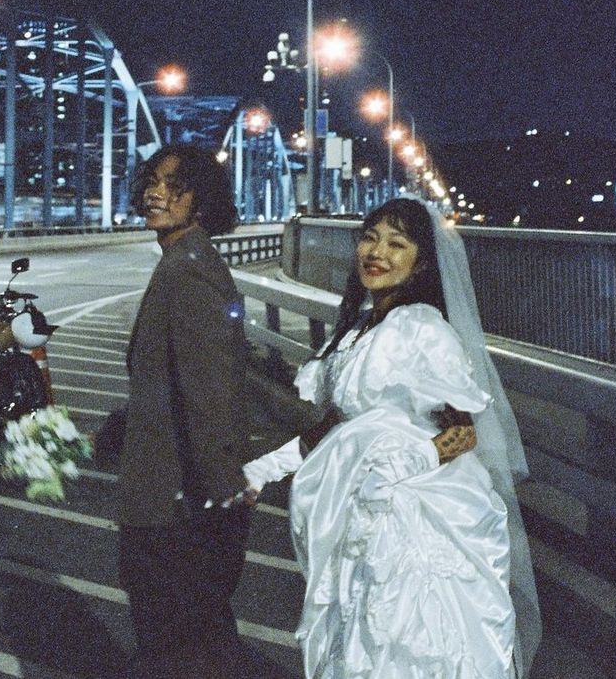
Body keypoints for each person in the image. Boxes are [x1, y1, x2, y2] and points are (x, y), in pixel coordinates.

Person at [243, 197, 541, 678]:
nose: (377, 251)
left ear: (421, 262)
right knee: (356, 635)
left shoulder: (423, 328)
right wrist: (260, 470)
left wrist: (402, 467)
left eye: (396, 243)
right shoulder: (357, 328)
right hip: (354, 510)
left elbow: (463, 432)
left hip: (411, 516)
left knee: (405, 641)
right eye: (370, 237)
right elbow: (330, 428)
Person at [116, 144, 252, 679]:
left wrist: (222, 508)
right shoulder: (183, 261)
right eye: (152, 180)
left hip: (175, 510)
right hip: (179, 499)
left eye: (175, 185)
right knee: (198, 642)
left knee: (178, 646)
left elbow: (211, 399)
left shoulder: (188, 274)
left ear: (202, 201)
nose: (156, 192)